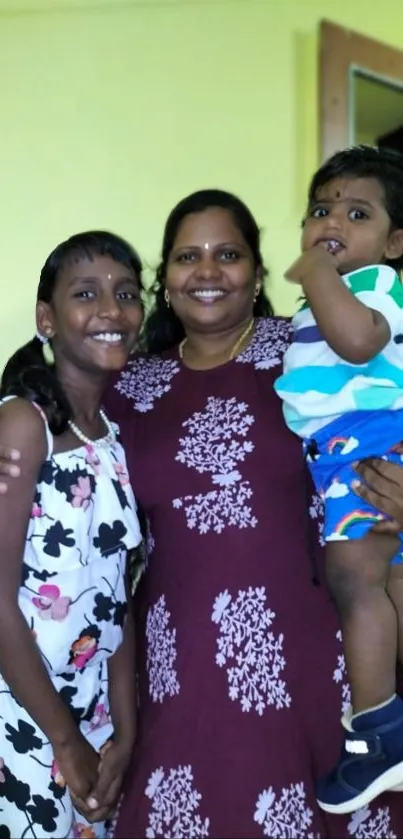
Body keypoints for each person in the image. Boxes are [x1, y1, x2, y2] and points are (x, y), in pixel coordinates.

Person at [2, 194, 403, 839]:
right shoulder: (128, 386)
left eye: (228, 254)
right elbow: (55, 430)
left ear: (257, 270)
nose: (208, 271)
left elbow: (388, 404)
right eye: (189, 257)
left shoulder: (308, 344)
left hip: (316, 655)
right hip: (177, 673)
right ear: (166, 279)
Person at [0, 231, 143, 838]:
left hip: (96, 720)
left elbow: (117, 594)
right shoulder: (21, 425)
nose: (111, 309)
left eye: (127, 293)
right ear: (46, 318)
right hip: (24, 715)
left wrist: (125, 728)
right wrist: (65, 740)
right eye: (86, 293)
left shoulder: (114, 433)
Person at [274, 146, 403, 815]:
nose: (333, 223)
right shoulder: (325, 296)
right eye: (321, 210)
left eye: (357, 213)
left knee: (352, 577)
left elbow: (357, 343)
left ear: (394, 241)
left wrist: (316, 269)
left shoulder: (374, 286)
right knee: (385, 581)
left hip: (368, 447)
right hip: (351, 447)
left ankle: (379, 731)